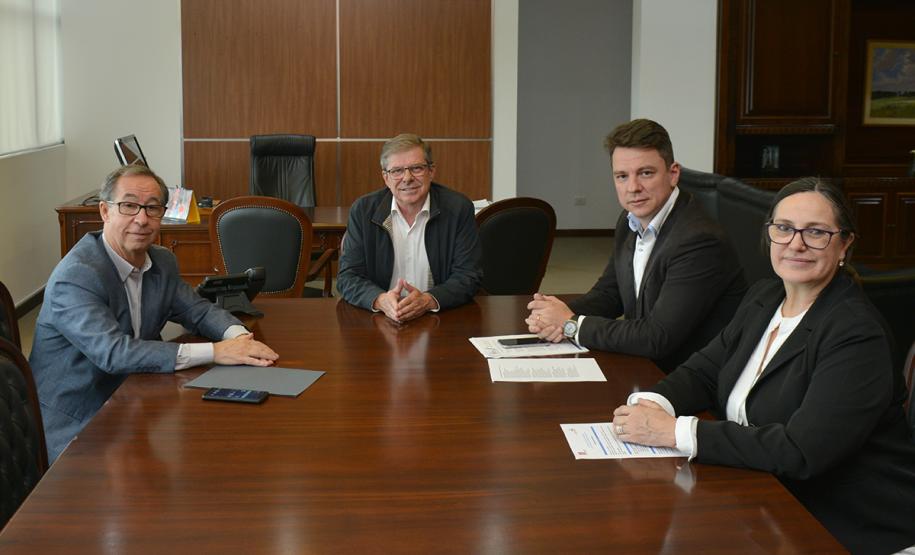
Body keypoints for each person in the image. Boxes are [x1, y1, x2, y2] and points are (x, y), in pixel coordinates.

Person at [612, 178, 915, 554]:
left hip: (843, 525)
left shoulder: (855, 333)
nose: (796, 243)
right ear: (769, 235)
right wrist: (655, 405)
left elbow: (800, 451)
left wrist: (676, 432)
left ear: (844, 245)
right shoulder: (764, 296)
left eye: (817, 232)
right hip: (767, 499)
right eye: (784, 229)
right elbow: (704, 371)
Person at [30, 165, 279, 462]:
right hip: (78, 420)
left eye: (152, 208)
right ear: (105, 211)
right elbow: (115, 354)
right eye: (129, 206)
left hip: (135, 401)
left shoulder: (161, 261)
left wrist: (240, 338)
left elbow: (198, 310)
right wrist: (216, 351)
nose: (142, 219)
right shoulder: (78, 275)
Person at [526, 119, 747, 373]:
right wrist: (556, 314)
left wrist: (571, 325)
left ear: (673, 173)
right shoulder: (630, 220)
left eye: (646, 173)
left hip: (687, 377)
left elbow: (658, 336)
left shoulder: (699, 241)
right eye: (622, 176)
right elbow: (610, 294)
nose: (633, 188)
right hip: (644, 363)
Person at [336, 133, 482, 323]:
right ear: (385, 177)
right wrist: (380, 300)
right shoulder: (363, 210)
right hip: (379, 320)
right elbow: (348, 277)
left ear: (431, 171)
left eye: (416, 168)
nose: (407, 178)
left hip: (439, 318)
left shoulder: (458, 208)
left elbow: (468, 275)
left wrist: (429, 300)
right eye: (397, 171)